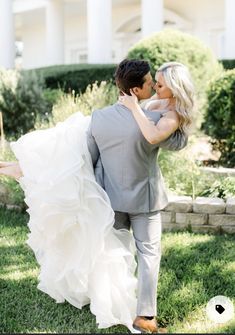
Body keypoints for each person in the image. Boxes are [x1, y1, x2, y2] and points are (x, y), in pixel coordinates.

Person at [0, 59, 194, 333]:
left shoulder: (99, 118)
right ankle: (145, 317)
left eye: (158, 83)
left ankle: (108, 302)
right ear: (137, 90)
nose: (154, 85)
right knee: (149, 254)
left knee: (110, 254)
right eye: (151, 83)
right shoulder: (156, 119)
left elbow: (84, 160)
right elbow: (169, 138)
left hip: (109, 200)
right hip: (144, 201)